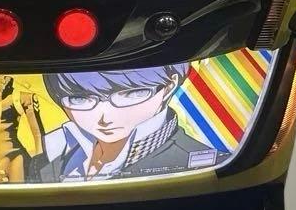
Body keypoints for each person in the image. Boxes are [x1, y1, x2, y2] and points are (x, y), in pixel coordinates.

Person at [31, 64, 219, 182]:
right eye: (79, 99)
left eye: (131, 94)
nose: (104, 118)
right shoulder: (57, 150)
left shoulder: (204, 164)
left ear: (169, 86)